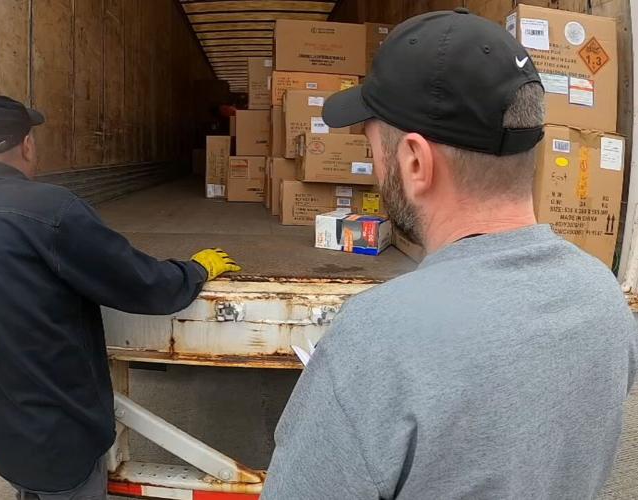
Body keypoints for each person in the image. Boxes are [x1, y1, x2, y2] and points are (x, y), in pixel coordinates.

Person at [264, 9, 637, 500]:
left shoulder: (375, 338)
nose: (374, 164)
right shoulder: (604, 299)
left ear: (416, 162)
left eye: (374, 145)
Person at [0, 95, 240, 500]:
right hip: (58, 434)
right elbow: (141, 284)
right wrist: (195, 270)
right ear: (26, 145)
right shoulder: (49, 209)